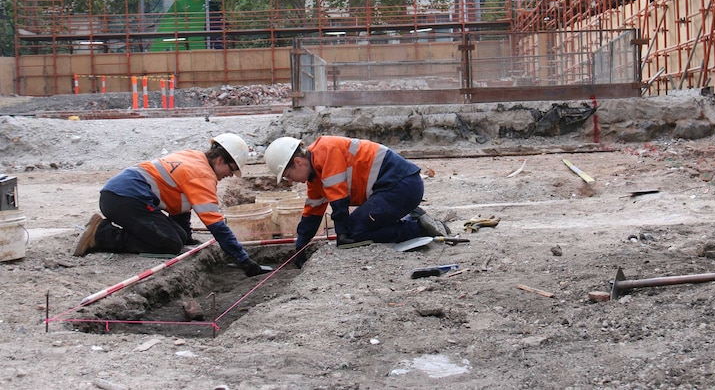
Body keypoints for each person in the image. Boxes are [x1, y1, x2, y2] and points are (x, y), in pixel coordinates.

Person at [73, 133, 268, 277]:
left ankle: (115, 230)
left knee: (180, 238)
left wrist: (188, 238)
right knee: (170, 244)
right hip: (126, 199)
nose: (230, 175)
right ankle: (102, 235)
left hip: (121, 196)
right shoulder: (202, 176)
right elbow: (217, 226)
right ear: (219, 160)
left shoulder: (194, 157)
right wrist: (244, 261)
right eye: (232, 169)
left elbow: (180, 204)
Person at [263, 135, 450, 256]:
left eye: (287, 175)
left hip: (402, 187)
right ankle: (414, 217)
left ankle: (418, 228)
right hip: (395, 189)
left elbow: (339, 200)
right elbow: (312, 213)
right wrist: (300, 245)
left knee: (355, 231)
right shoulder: (314, 177)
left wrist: (343, 233)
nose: (289, 181)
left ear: (298, 162)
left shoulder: (326, 151)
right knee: (353, 229)